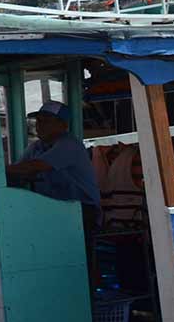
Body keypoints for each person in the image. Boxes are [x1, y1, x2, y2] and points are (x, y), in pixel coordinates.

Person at [6, 100, 102, 284]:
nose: (39, 125)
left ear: (63, 125)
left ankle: (87, 302)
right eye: (38, 120)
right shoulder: (36, 147)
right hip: (52, 212)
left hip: (82, 211)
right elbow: (21, 169)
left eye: (46, 120)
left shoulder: (69, 144)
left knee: (79, 263)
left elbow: (34, 167)